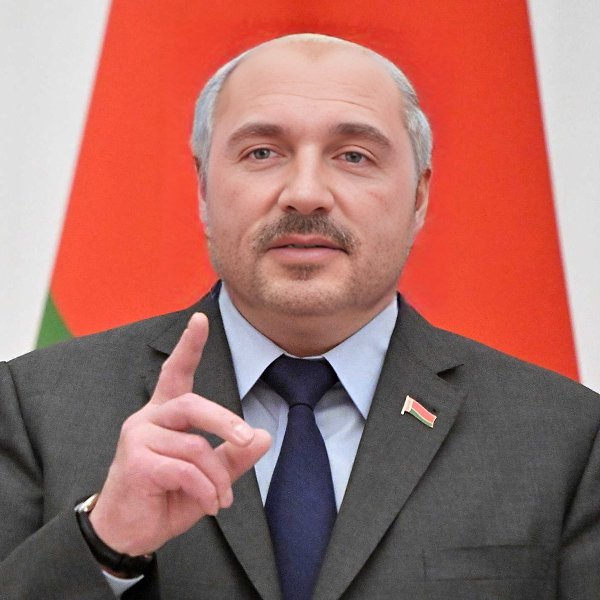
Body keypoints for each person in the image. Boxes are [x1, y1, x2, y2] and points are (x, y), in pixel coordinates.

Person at [1, 33, 599, 600]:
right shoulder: (37, 409)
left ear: (419, 197)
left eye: (354, 155)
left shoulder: (564, 437)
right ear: (204, 190)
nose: (306, 192)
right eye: (262, 152)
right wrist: (104, 545)